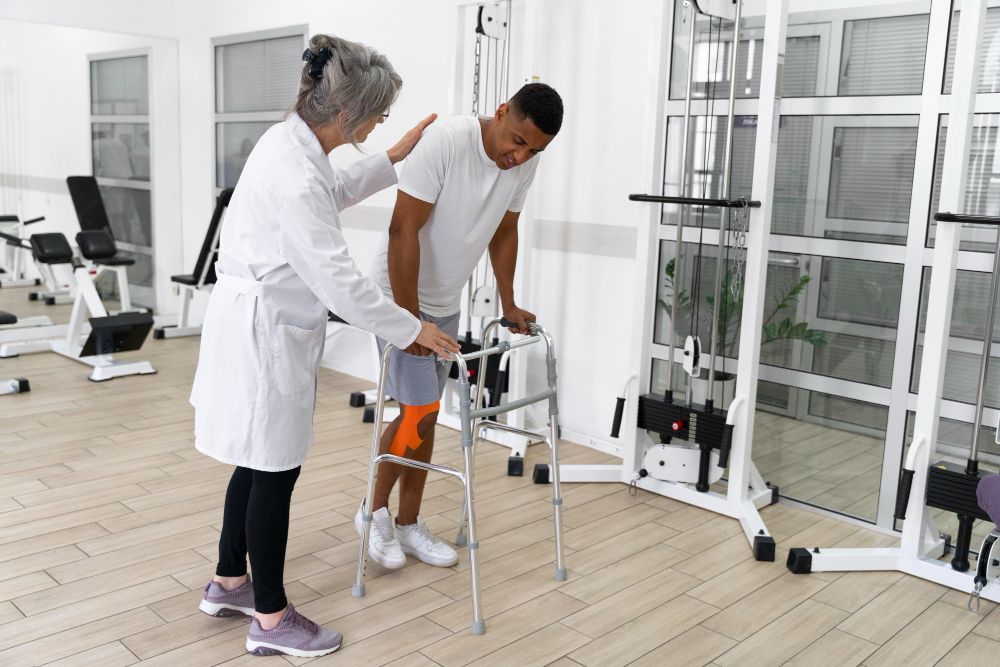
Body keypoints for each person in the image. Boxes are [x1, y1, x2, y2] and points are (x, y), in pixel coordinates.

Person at [190, 34, 459, 659]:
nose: (382, 120)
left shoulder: (290, 142)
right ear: (346, 114)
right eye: (379, 113)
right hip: (266, 333)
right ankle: (271, 618)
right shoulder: (294, 172)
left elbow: (327, 193)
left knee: (253, 461)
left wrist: (390, 157)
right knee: (275, 470)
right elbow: (339, 278)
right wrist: (412, 327)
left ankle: (230, 581)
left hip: (257, 319)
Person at [356, 83, 563, 569]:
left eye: (534, 149)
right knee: (417, 412)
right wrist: (411, 323)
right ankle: (372, 512)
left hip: (445, 302)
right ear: (500, 111)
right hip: (396, 296)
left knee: (426, 416)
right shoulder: (446, 142)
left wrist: (509, 302)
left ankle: (407, 523)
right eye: (516, 140)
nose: (521, 155)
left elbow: (505, 229)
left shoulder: (525, 161)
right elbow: (401, 230)